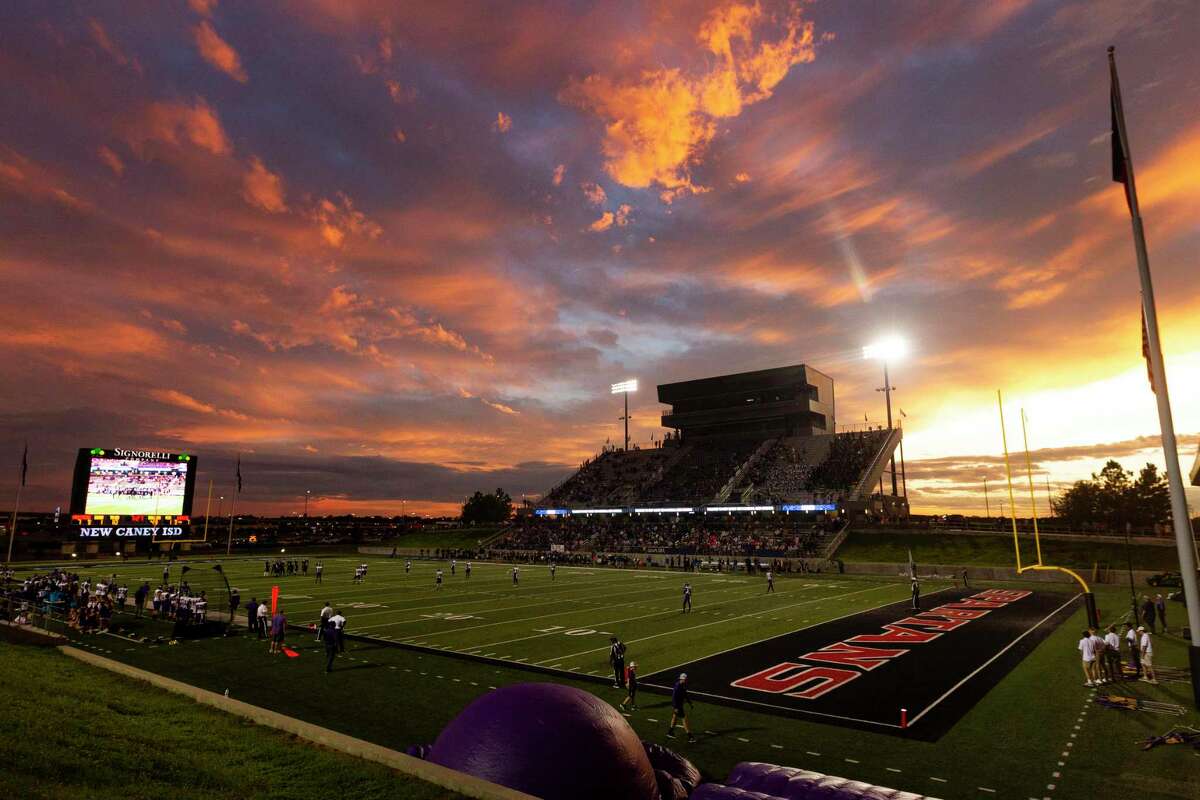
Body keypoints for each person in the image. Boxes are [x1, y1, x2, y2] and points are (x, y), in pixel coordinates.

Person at [666, 673, 695, 743]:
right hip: (678, 706)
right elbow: (673, 698)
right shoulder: (677, 686)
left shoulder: (682, 685)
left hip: (679, 705)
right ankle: (690, 736)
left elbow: (685, 695)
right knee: (684, 719)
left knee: (674, 717)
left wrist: (690, 703)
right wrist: (676, 707)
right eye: (685, 679)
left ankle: (670, 732)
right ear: (681, 679)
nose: (686, 680)